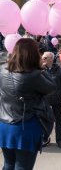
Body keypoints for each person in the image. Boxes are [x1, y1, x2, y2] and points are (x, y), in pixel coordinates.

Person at [0, 38, 56, 170]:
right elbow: (52, 87)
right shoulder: (34, 75)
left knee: (8, 164)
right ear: (33, 54)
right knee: (23, 166)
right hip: (25, 127)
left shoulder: (2, 70)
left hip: (4, 125)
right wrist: (44, 68)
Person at [42, 51, 61, 148]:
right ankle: (45, 138)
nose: (42, 59)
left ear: (51, 59)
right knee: (45, 120)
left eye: (45, 58)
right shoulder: (40, 69)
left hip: (56, 99)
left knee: (58, 120)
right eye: (42, 57)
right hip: (44, 100)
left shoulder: (59, 70)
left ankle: (59, 139)